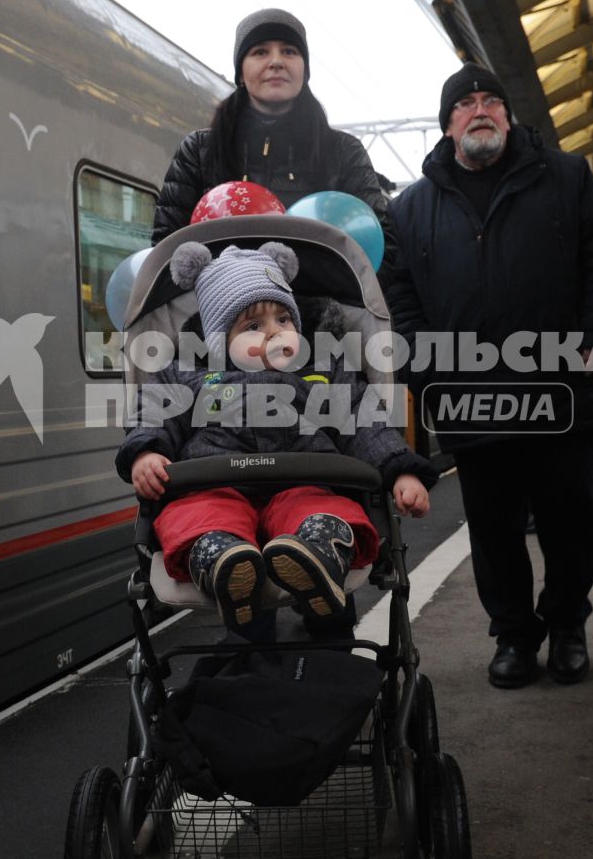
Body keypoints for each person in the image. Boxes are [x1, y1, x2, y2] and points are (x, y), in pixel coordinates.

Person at [384, 64, 593, 688]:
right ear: (447, 126)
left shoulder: (568, 177)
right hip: (471, 397)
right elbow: (400, 298)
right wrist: (423, 365)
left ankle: (568, 623)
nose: (480, 110)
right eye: (465, 104)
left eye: (492, 99)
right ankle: (516, 636)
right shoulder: (410, 208)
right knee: (494, 529)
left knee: (570, 520)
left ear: (509, 116)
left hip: (561, 389)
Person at [119, 242, 433, 639]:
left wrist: (400, 470)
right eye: (253, 326)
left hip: (302, 487)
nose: (275, 333)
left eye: (284, 319)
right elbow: (153, 412)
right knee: (193, 517)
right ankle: (224, 563)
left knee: (330, 509)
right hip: (218, 490)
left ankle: (317, 555)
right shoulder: (189, 376)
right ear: (218, 341)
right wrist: (146, 451)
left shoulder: (320, 372)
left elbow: (363, 420)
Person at [151, 9, 393, 251]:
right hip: (218, 289)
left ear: (304, 70)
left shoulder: (344, 151)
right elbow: (167, 247)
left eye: (289, 51)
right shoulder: (198, 150)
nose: (276, 62)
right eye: (260, 52)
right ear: (241, 73)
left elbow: (381, 242)